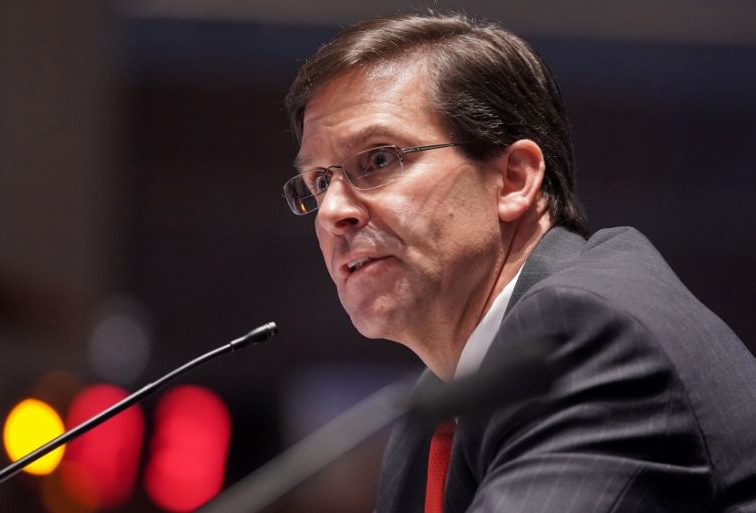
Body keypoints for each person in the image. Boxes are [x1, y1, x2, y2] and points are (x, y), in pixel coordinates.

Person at [281, 12, 756, 513]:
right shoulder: (432, 417)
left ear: (513, 179)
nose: (333, 212)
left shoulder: (585, 336)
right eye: (319, 183)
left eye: (379, 159)